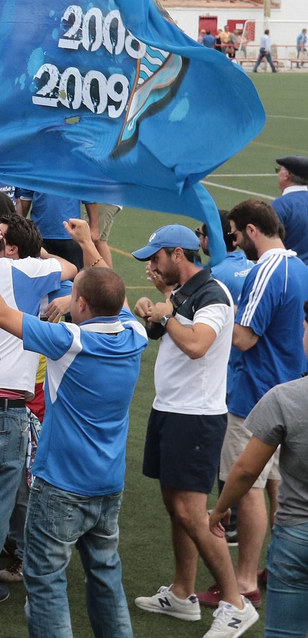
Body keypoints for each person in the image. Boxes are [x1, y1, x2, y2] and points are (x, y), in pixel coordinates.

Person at [0, 219, 150, 636]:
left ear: (80, 304)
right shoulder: (134, 333)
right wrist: (87, 243)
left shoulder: (70, 341)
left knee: (46, 583)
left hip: (62, 483)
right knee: (106, 577)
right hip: (108, 484)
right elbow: (111, 290)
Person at [126, 225, 252, 630]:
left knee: (192, 512)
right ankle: (183, 594)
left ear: (177, 254)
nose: (152, 265)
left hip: (195, 416)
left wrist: (165, 313)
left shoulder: (212, 294)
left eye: (156, 257)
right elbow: (163, 331)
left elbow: (197, 345)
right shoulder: (181, 291)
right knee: (175, 507)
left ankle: (236, 604)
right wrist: (152, 309)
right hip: (170, 409)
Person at [0, 211, 76, 604]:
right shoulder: (27, 269)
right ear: (10, 248)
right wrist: (36, 247)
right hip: (3, 404)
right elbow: (72, 267)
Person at [222, 199, 308, 604]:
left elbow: (244, 338)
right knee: (276, 484)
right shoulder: (300, 267)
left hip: (255, 395)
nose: (235, 243)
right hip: (288, 389)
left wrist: (216, 313)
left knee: (250, 487)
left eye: (236, 234)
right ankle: (277, 565)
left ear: (252, 231)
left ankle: (245, 582)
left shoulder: (266, 270)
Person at [209, 350, 308, 638]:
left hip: (296, 535)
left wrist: (221, 508)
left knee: (284, 633)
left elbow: (245, 470)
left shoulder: (285, 397)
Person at [273, 154, 308, 260]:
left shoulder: (281, 205)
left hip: (289, 266)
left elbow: (268, 243)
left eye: (278, 170)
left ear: (286, 175)